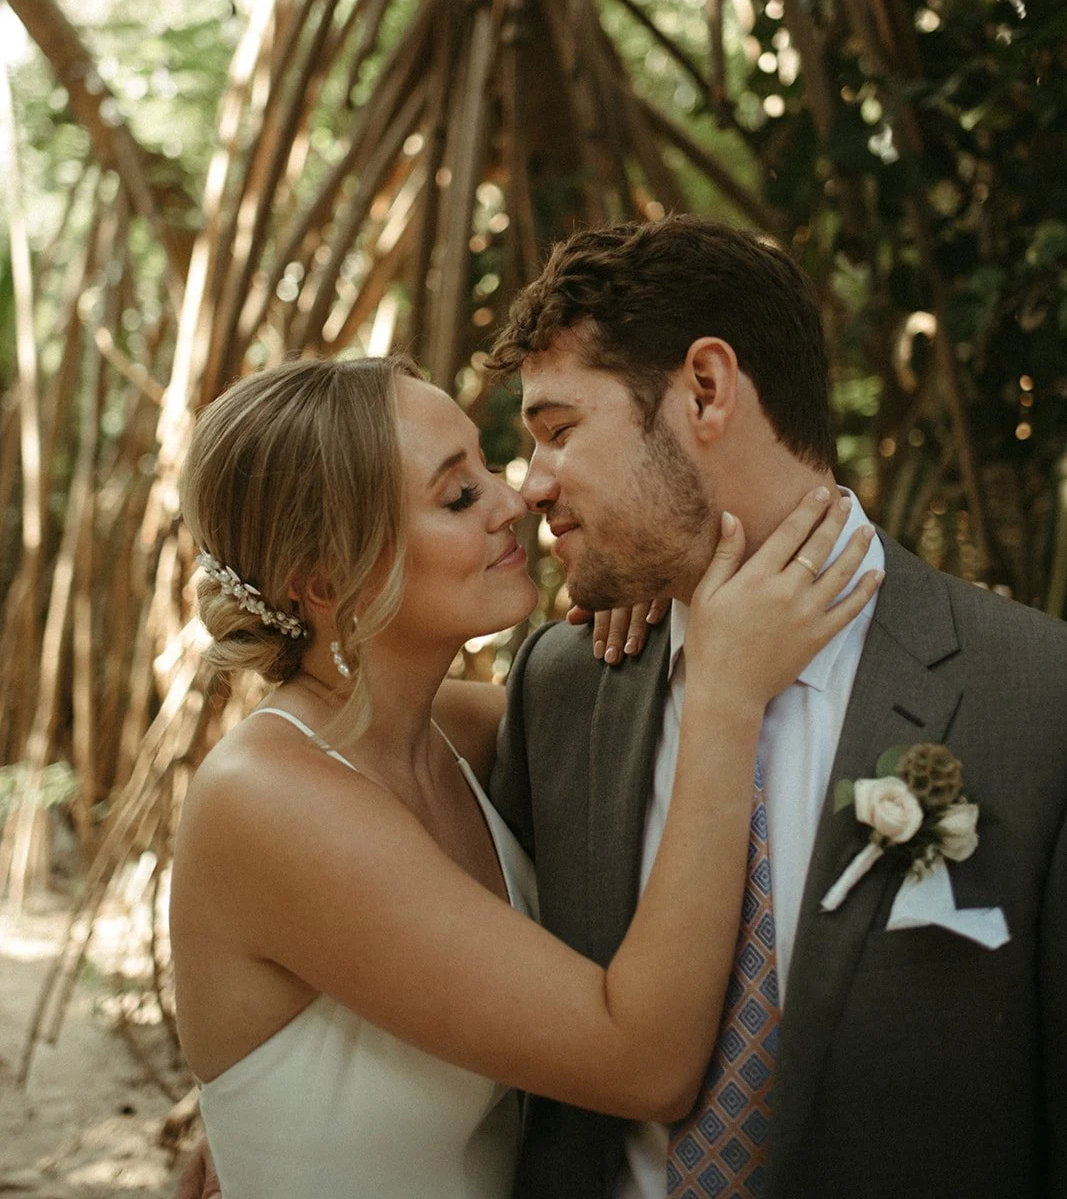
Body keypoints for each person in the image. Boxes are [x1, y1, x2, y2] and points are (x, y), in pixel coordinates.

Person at [169, 351, 878, 1199]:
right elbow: (643, 1064)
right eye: (458, 495)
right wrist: (723, 694)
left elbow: (633, 750)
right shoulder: (266, 801)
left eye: (486, 463)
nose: (514, 500)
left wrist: (655, 580)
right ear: (327, 580)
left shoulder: (461, 735)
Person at [486, 214, 1067, 1199]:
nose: (530, 486)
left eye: (558, 430)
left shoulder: (1037, 700)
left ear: (704, 389)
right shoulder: (562, 685)